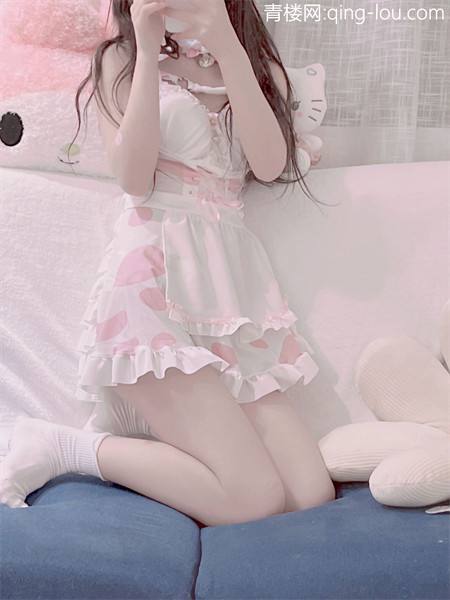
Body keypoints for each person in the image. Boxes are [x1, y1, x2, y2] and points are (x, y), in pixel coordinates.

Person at [1, 0, 335, 526]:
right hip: (152, 292)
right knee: (256, 498)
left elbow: (270, 165)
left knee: (310, 495)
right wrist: (147, 49)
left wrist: (228, 47)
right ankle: (64, 447)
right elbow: (134, 179)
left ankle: (188, 461)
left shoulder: (257, 64)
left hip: (232, 299)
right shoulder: (121, 58)